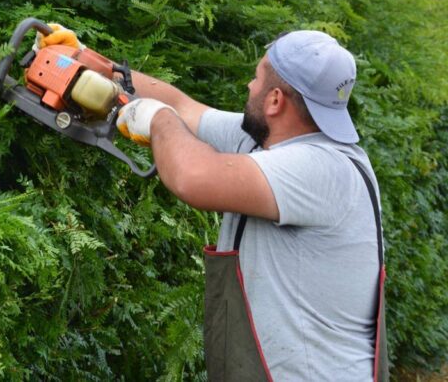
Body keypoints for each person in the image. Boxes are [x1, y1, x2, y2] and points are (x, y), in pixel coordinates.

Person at [39, 27, 388, 381]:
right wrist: (95, 64)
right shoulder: (269, 141)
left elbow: (193, 176)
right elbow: (184, 108)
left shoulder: (323, 170)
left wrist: (157, 121)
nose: (249, 87)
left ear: (275, 101)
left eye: (256, 78)